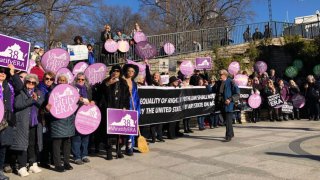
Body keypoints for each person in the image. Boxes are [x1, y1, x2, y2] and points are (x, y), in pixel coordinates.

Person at [12, 74, 44, 177]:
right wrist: (31, 100)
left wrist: (36, 99)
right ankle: (21, 166)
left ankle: (32, 164)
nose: (30, 84)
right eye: (28, 82)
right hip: (23, 122)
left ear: (36, 84)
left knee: (32, 144)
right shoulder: (20, 92)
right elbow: (17, 105)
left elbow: (41, 103)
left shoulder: (38, 92)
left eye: (33, 82)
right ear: (25, 82)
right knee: (22, 144)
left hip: (34, 122)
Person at [97, 65, 130, 160]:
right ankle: (108, 151)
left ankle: (118, 150)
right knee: (109, 131)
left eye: (118, 71)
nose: (116, 72)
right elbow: (100, 93)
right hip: (109, 109)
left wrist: (125, 106)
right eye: (114, 71)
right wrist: (108, 84)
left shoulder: (123, 83)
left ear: (120, 73)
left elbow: (126, 96)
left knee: (119, 132)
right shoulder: (106, 81)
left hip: (120, 108)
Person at [45, 74, 74, 172]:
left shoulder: (71, 91)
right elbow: (48, 107)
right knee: (57, 143)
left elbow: (75, 103)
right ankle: (57, 164)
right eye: (60, 80)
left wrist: (84, 101)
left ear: (67, 82)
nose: (62, 82)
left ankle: (66, 162)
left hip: (68, 121)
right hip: (57, 121)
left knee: (67, 142)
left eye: (63, 80)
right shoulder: (52, 93)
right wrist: (47, 109)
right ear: (57, 81)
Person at [0, 65, 21, 180]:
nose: (2, 73)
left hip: (6, 120)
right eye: (0, 71)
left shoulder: (9, 85)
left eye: (4, 71)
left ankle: (0, 170)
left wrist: (13, 73)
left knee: (3, 146)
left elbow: (20, 87)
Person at [72, 73, 95, 165]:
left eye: (82, 79)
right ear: (76, 80)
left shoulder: (88, 89)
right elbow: (70, 100)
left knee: (86, 136)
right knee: (77, 137)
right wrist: (78, 99)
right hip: (76, 114)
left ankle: (84, 155)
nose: (81, 81)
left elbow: (91, 99)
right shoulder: (73, 89)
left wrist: (93, 101)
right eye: (79, 79)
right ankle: (77, 156)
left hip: (86, 115)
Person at [214, 70, 240, 142]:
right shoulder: (218, 83)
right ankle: (231, 133)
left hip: (228, 104)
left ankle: (228, 136)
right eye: (219, 74)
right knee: (226, 120)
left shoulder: (231, 82)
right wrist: (207, 85)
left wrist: (230, 99)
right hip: (221, 104)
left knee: (228, 120)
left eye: (221, 74)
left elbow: (237, 94)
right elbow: (212, 90)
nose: (219, 75)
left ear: (225, 75)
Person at [38, 71, 56, 169]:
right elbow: (38, 105)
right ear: (43, 78)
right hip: (43, 117)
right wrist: (45, 109)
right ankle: (43, 160)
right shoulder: (39, 88)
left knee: (52, 139)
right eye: (47, 78)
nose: (49, 81)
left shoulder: (55, 88)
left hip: (53, 117)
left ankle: (53, 159)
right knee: (44, 140)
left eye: (51, 79)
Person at [123, 64, 140, 156]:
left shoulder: (134, 83)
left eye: (132, 71)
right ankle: (128, 147)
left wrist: (137, 107)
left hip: (135, 105)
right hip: (127, 105)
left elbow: (136, 95)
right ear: (126, 71)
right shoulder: (122, 81)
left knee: (133, 126)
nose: (131, 72)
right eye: (129, 71)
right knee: (128, 127)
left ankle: (132, 145)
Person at [145, 63, 165, 142]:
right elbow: (148, 76)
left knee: (160, 122)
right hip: (152, 104)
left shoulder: (161, 84)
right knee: (153, 122)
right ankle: (153, 137)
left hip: (160, 104)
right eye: (155, 75)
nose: (156, 76)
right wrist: (147, 66)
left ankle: (159, 136)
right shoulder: (151, 83)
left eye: (157, 75)